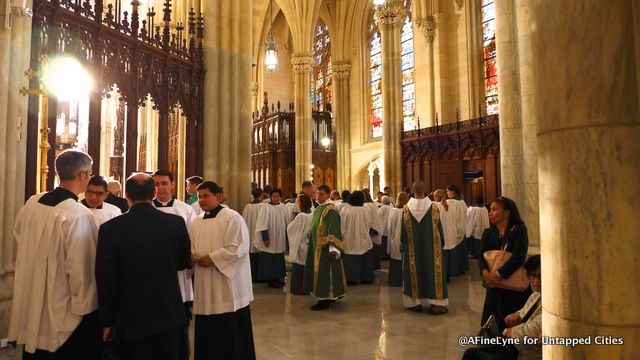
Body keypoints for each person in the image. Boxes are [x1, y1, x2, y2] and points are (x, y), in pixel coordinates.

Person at [10, 150, 101, 360]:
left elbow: (19, 233)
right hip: (63, 308)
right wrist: (87, 310)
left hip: (32, 295)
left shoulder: (33, 202)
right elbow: (82, 271)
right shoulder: (78, 215)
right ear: (83, 175)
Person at [96, 173, 192, 360]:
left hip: (129, 316)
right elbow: (184, 263)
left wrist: (106, 320)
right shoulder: (175, 223)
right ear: (154, 192)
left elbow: (105, 278)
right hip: (168, 313)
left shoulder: (110, 229)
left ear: (125, 194)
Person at [190, 181, 256, 360]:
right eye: (199, 196)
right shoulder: (195, 222)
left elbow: (238, 248)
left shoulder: (231, 217)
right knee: (208, 328)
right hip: (205, 283)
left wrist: (211, 258)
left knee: (230, 329)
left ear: (217, 196)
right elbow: (192, 248)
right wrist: (193, 256)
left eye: (206, 196)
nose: (202, 200)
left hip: (228, 284)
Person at [152, 169, 196, 359]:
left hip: (178, 274)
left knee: (178, 319)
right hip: (151, 273)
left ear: (172, 184)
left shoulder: (185, 210)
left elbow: (192, 240)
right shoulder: (144, 208)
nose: (160, 188)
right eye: (155, 184)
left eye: (163, 183)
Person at [462, 255, 542, 360]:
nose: (536, 282)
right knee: (473, 353)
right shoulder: (536, 295)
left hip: (526, 353)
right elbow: (524, 311)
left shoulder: (552, 303)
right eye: (533, 276)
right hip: (515, 347)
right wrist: (516, 315)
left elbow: (533, 329)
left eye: (540, 276)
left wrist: (505, 332)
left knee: (474, 355)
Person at [479, 196, 531, 329]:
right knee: (491, 325)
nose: (490, 212)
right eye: (490, 209)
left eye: (495, 209)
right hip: (494, 287)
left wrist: (497, 275)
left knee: (510, 325)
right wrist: (486, 274)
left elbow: (519, 257)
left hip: (512, 287)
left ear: (507, 213)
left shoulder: (518, 230)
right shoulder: (488, 233)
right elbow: (481, 256)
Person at [401, 180, 448, 315]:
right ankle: (437, 304)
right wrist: (441, 243)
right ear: (425, 189)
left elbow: (403, 234)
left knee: (414, 270)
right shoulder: (434, 208)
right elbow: (440, 229)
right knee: (433, 270)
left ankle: (414, 303)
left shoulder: (405, 209)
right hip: (433, 249)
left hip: (412, 250)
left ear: (413, 190)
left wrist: (404, 245)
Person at [303, 184, 347, 311]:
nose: (318, 195)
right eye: (317, 193)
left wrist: (333, 248)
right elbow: (314, 225)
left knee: (326, 273)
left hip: (325, 248)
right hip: (316, 246)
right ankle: (327, 297)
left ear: (328, 195)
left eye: (321, 193)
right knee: (322, 273)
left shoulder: (330, 210)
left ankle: (325, 299)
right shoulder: (319, 208)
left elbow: (333, 229)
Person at [254, 188, 291, 288]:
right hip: (270, 237)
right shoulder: (265, 207)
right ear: (271, 197)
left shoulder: (283, 207)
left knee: (279, 258)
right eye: (274, 196)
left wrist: (287, 240)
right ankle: (271, 279)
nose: (276, 198)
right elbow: (262, 224)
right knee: (270, 258)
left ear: (280, 197)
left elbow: (288, 223)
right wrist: (265, 238)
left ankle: (279, 278)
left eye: (278, 196)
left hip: (280, 237)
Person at [340, 190, 375, 285]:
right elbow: (369, 223)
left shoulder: (345, 210)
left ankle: (351, 278)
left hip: (349, 238)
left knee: (350, 258)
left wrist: (341, 236)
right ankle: (366, 277)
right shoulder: (366, 210)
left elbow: (342, 226)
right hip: (363, 237)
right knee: (365, 254)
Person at [287, 194, 313, 295]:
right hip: (308, 243)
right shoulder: (313, 214)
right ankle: (308, 288)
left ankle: (299, 288)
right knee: (307, 266)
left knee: (299, 267)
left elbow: (291, 229)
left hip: (301, 244)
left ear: (302, 203)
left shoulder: (301, 216)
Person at [443, 184, 469, 277]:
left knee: (454, 249)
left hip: (454, 227)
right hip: (462, 227)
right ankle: (462, 268)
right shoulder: (462, 201)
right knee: (461, 249)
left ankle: (455, 269)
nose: (447, 193)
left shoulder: (450, 202)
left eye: (448, 191)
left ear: (453, 191)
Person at [243, 187, 266, 281]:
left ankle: (252, 276)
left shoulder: (247, 207)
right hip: (259, 233)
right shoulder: (263, 206)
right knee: (259, 254)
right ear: (261, 195)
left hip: (249, 232)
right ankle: (260, 276)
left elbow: (243, 220)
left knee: (251, 255)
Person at [386, 192, 409, 287]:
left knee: (396, 259)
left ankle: (395, 281)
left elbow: (389, 227)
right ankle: (406, 281)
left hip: (395, 238)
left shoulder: (393, 211)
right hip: (406, 240)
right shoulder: (409, 211)